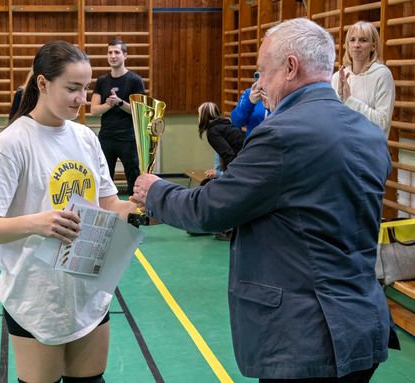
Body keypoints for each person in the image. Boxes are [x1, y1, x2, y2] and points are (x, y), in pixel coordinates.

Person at [132, 18, 399, 382]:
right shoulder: (368, 134)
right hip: (362, 326)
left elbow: (208, 209)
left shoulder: (282, 134)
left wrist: (155, 191)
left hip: (305, 339)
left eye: (262, 73)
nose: (259, 85)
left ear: (290, 67)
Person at [0, 40, 140, 383]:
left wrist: (143, 206)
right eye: (72, 89)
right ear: (43, 84)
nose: (82, 99)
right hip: (36, 296)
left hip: (88, 289)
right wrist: (40, 222)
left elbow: (108, 203)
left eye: (86, 88)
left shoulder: (85, 138)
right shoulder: (10, 145)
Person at [90, 39, 145, 195]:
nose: (112, 56)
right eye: (110, 52)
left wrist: (120, 103)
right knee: (103, 180)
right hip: (106, 137)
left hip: (128, 138)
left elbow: (139, 111)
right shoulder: (102, 81)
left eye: (116, 52)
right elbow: (94, 110)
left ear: (125, 55)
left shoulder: (135, 80)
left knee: (134, 179)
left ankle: (135, 213)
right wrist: (109, 104)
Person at [331, 21, 395, 137]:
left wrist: (350, 100)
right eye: (352, 40)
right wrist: (339, 97)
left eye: (363, 40)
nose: (356, 45)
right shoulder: (338, 77)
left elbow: (382, 123)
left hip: (370, 150)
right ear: (348, 45)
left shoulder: (382, 75)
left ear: (373, 46)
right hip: (342, 149)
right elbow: (331, 121)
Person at [198, 101, 245, 172]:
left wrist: (232, 175)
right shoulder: (225, 124)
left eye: (199, 115)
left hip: (241, 164)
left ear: (204, 116)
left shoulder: (213, 132)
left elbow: (228, 154)